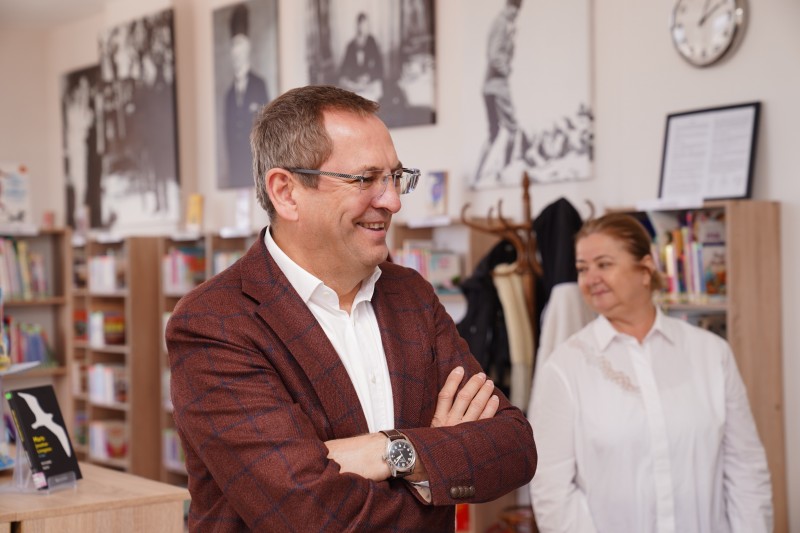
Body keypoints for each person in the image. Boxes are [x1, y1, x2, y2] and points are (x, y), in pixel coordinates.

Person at [166, 85, 537, 531]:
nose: (393, 201)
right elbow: (312, 518)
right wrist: (437, 460)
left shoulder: (410, 295)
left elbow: (515, 447)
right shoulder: (214, 323)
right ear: (286, 192)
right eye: (365, 179)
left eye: (395, 177)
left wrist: (387, 450)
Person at [528, 213, 773, 532]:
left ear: (645, 268)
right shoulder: (565, 367)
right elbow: (552, 490)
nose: (590, 279)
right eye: (583, 268)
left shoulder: (711, 353)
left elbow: (745, 470)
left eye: (604, 264)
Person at [474, 0, 531, 185]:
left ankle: (477, 175)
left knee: (493, 133)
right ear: (509, 7)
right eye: (515, 10)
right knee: (513, 129)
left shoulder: (504, 24)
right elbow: (494, 54)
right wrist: (506, 69)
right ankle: (504, 172)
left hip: (488, 86)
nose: (516, 15)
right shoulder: (501, 24)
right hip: (498, 85)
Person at [223, 3, 268, 188]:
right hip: (236, 174)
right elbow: (228, 139)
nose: (236, 51)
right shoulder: (228, 96)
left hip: (258, 173)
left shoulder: (260, 85)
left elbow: (268, 131)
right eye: (233, 45)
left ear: (248, 46)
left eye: (240, 44)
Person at [338, 12, 384, 102]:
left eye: (366, 26)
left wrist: (369, 76)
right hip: (355, 83)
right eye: (361, 25)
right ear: (357, 26)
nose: (363, 28)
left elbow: (380, 67)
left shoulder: (372, 42)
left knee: (371, 96)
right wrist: (353, 79)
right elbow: (343, 69)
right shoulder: (351, 46)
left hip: (370, 82)